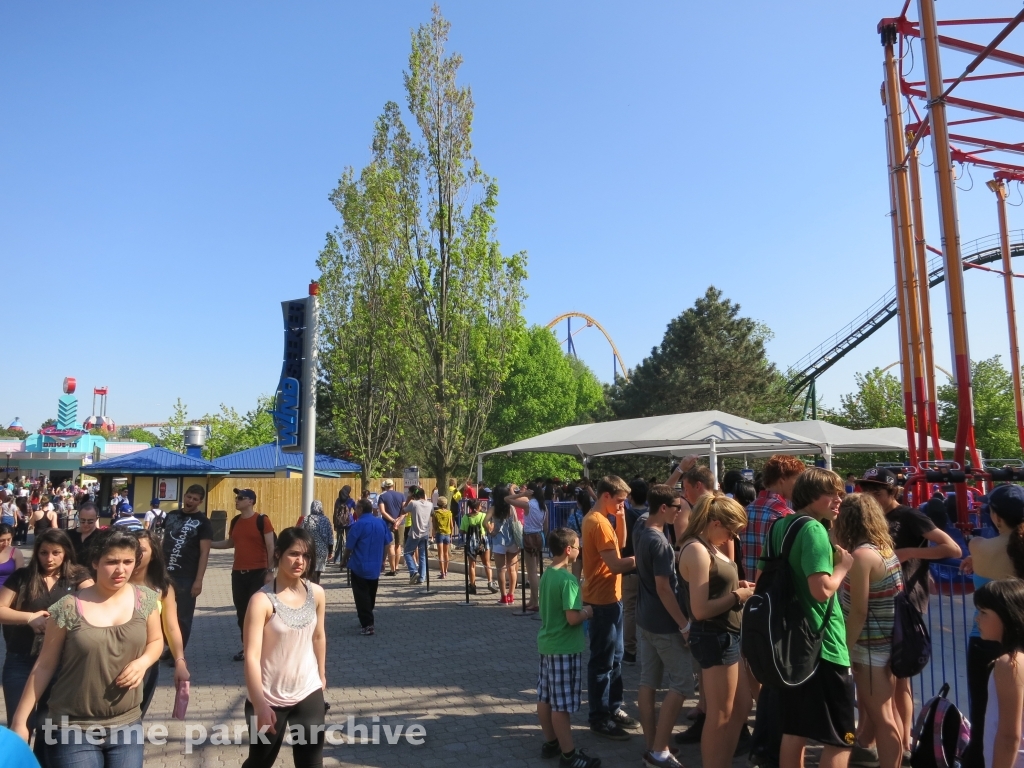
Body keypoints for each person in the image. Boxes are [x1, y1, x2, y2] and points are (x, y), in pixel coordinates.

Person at [11, 530, 162, 768]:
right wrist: (20, 721)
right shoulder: (68, 607)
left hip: (127, 724)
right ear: (95, 562)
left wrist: (143, 662)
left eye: (128, 562)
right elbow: (44, 665)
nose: (120, 570)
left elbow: (156, 641)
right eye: (111, 562)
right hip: (72, 727)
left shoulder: (146, 599)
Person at [757, 468, 854, 768]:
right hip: (822, 643)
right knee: (841, 737)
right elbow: (821, 590)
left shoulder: (780, 525)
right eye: (831, 493)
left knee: (794, 730)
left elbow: (762, 577)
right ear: (811, 495)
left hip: (790, 643)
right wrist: (843, 567)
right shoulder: (813, 530)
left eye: (840, 493)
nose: (839, 499)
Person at [858, 467, 960, 752]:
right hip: (878, 601)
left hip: (906, 602)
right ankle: (874, 740)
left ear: (892, 491)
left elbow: (952, 548)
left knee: (899, 676)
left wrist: (910, 552)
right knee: (876, 676)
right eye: (866, 490)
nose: (870, 496)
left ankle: (903, 743)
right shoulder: (869, 517)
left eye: (877, 491)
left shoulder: (910, 516)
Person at [677, 493, 754, 768]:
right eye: (731, 531)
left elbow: (713, 585)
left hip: (726, 634)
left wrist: (736, 587)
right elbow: (699, 609)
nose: (733, 537)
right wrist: (737, 596)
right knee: (720, 713)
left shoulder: (707, 545)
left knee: (741, 706)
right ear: (716, 523)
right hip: (714, 635)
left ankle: (723, 760)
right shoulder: (697, 549)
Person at [242, 527, 327, 768]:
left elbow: (319, 636)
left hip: (308, 691)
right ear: (278, 553)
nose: (300, 561)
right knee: (260, 762)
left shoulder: (317, 593)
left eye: (306, 555)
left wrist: (321, 675)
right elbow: (251, 656)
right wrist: (259, 704)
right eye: (294, 554)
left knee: (311, 763)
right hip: (268, 697)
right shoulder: (261, 601)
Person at [833, 493, 905, 768]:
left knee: (883, 717)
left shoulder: (862, 556)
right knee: (888, 713)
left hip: (870, 648)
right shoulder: (884, 549)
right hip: (887, 643)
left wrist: (845, 649)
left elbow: (859, 611)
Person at [0, 529, 92, 738]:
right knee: (19, 724)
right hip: (21, 659)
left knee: (50, 728)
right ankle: (21, 756)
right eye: (44, 553)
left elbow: (96, 602)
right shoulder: (22, 577)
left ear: (66, 552)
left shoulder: (78, 576)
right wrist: (29, 618)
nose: (49, 559)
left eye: (56, 553)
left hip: (62, 662)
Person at [960, 483, 1024, 768]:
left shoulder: (978, 546)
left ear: (996, 516)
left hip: (986, 642)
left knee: (985, 717)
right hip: (1019, 640)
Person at [634, 484, 692, 768]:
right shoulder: (659, 541)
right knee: (682, 683)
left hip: (645, 620)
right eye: (677, 507)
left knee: (648, 683)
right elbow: (664, 588)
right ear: (664, 508)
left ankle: (653, 745)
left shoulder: (641, 528)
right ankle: (659, 751)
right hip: (664, 624)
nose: (680, 512)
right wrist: (684, 624)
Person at [536, 527, 601, 768]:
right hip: (564, 647)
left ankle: (551, 741)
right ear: (567, 549)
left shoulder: (547, 574)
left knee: (545, 697)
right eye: (577, 546)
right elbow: (572, 617)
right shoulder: (569, 580)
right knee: (561, 705)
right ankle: (569, 755)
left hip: (547, 644)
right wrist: (587, 612)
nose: (579, 550)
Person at [582, 475, 640, 740]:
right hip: (601, 601)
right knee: (602, 663)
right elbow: (617, 564)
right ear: (606, 496)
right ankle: (599, 717)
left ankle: (613, 708)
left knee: (615, 659)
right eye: (619, 501)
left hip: (610, 599)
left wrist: (621, 516)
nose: (622, 506)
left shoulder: (603, 519)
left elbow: (621, 543)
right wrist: (644, 557)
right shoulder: (598, 523)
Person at [128, 530, 189, 717]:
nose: (136, 554)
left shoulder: (162, 588)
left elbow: (171, 627)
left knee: (136, 717)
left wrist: (180, 661)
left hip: (148, 661)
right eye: (132, 548)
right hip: (114, 657)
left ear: (154, 554)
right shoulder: (115, 583)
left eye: (142, 550)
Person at [211, 488, 276, 661]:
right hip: (238, 573)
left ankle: (263, 648)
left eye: (240, 498)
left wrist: (270, 571)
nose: (237, 500)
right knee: (242, 612)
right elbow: (230, 543)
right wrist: (208, 544)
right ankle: (247, 647)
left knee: (257, 611)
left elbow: (271, 547)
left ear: (250, 501)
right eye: (236, 498)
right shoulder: (235, 521)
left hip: (258, 573)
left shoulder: (262, 520)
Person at [972, 579, 1024, 768]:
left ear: (1008, 616)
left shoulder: (1009, 664)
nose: (977, 618)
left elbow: (1009, 736)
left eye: (984, 612)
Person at [160, 484, 213, 651]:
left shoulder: (203, 522)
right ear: (184, 496)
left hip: (187, 576)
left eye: (195, 499)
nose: (190, 501)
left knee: (183, 617)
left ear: (200, 502)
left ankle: (178, 653)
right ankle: (169, 646)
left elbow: (205, 552)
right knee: (161, 613)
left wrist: (199, 580)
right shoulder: (172, 515)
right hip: (164, 574)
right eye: (189, 497)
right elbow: (163, 540)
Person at [741, 454, 805, 580]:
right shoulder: (786, 515)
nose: (799, 485)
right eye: (797, 479)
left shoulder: (745, 511)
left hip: (748, 586)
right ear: (783, 479)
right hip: (774, 587)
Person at [342, 499, 388, 635]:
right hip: (375, 566)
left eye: (356, 508)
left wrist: (344, 560)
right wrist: (383, 560)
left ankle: (367, 624)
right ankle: (367, 616)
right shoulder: (381, 523)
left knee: (361, 595)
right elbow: (387, 543)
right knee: (371, 594)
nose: (355, 510)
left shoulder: (358, 525)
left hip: (359, 565)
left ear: (361, 509)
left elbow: (349, 546)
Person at [621, 478, 648, 666]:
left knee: (629, 610)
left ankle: (630, 651)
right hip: (649, 569)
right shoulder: (652, 515)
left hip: (629, 566)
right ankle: (650, 651)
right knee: (648, 609)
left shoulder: (626, 515)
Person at [488, 486, 522, 604]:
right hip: (512, 540)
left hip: (499, 541)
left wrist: (490, 531)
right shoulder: (511, 507)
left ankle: (503, 597)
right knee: (512, 569)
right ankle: (511, 595)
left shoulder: (493, 508)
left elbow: (484, 521)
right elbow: (516, 523)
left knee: (501, 570)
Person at [460, 498, 495, 593]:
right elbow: (489, 529)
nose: (481, 506)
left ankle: (472, 586)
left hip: (471, 543)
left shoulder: (465, 517)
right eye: (480, 505)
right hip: (483, 541)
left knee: (472, 565)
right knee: (487, 563)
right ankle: (490, 582)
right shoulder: (483, 515)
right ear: (477, 507)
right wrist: (492, 523)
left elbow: (462, 531)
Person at [403, 488, 433, 585]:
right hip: (425, 533)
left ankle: (413, 571)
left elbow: (403, 511)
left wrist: (408, 500)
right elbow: (432, 514)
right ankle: (422, 577)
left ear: (414, 496)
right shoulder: (430, 504)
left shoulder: (414, 504)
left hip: (414, 533)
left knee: (407, 552)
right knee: (422, 556)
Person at [301, 501, 334, 585]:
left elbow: (300, 534)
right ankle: (316, 585)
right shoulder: (326, 520)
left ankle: (311, 587)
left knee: (311, 570)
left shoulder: (306, 519)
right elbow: (330, 537)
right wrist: (330, 551)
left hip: (309, 549)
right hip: (322, 550)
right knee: (318, 571)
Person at [377, 480, 405, 576]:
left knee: (390, 546)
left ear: (385, 486)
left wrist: (393, 520)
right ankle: (396, 566)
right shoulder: (401, 495)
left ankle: (392, 569)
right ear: (393, 485)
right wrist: (398, 520)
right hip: (401, 523)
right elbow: (404, 510)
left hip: (388, 523)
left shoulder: (382, 496)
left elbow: (382, 511)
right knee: (398, 545)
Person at [431, 496, 454, 579]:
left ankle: (442, 572)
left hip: (439, 534)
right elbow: (452, 525)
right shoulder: (449, 513)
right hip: (447, 534)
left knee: (440, 554)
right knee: (446, 553)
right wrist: (451, 535)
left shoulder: (435, 513)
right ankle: (446, 570)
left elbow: (434, 526)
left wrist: (433, 535)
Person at [331, 486, 354, 564]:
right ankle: (348, 558)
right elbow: (357, 509)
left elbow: (335, 512)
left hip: (339, 524)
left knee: (339, 541)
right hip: (349, 523)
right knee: (349, 541)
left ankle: (337, 559)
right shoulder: (350, 501)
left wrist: (335, 524)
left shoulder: (338, 500)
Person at [0, 524, 25, 589]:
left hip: (8, 591)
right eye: (2, 540)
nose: (6, 543)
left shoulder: (16, 553)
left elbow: (20, 577)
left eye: (9, 539)